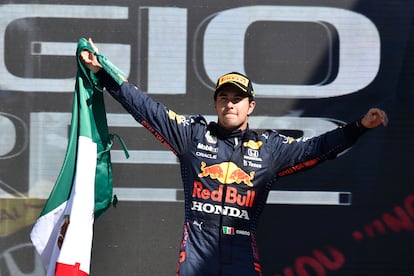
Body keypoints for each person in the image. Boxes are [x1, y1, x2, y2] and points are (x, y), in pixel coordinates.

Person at [80, 38, 388, 276]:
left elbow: (316, 149)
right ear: (215, 104)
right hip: (198, 243)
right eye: (223, 98)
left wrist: (359, 127)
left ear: (250, 106)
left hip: (241, 246)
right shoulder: (193, 135)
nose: (230, 105)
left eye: (237, 99)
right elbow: (146, 108)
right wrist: (103, 72)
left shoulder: (270, 148)